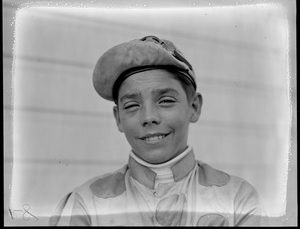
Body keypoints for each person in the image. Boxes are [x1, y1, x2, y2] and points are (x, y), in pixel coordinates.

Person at [49, 35, 268, 226]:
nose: (149, 117)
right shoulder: (86, 205)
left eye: (165, 101)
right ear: (118, 119)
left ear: (194, 107)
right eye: (132, 106)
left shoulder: (237, 199)